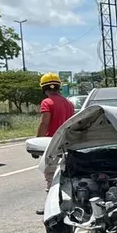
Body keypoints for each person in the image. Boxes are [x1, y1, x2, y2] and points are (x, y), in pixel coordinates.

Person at [36, 72, 75, 213]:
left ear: (43, 88)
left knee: (51, 176)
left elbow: (44, 122)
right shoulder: (69, 103)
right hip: (67, 143)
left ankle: (51, 207)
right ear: (58, 87)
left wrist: (37, 140)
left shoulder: (47, 102)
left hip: (51, 144)